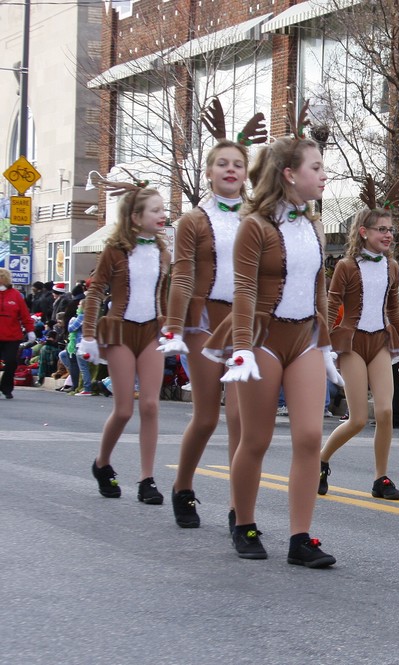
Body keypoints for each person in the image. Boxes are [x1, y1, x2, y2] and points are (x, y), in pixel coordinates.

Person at [203, 108, 339, 567]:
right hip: (260, 339)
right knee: (256, 439)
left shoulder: (315, 225)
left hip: (304, 339)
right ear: (289, 174)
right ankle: (243, 521)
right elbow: (242, 289)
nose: (324, 175)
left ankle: (301, 538)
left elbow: (320, 286)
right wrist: (240, 347)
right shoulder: (255, 226)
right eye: (316, 167)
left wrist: (327, 341)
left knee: (308, 437)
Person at [158, 100, 265, 529]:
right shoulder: (193, 220)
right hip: (203, 322)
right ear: (208, 171)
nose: (230, 170)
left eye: (237, 164)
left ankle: (240, 509)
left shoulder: (258, 216)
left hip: (243, 321)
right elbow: (182, 277)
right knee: (206, 415)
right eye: (222, 163)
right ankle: (183, 486)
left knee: (241, 417)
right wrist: (173, 325)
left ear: (246, 172)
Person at [319, 178, 399, 501]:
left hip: (381, 343)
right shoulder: (346, 266)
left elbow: (393, 308)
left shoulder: (392, 267)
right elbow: (332, 305)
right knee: (359, 418)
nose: (387, 234)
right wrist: (323, 344)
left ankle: (381, 477)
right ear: (363, 233)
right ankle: (321, 460)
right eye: (380, 229)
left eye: (389, 230)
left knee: (387, 412)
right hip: (353, 343)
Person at [79, 176, 170, 504]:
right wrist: (88, 335)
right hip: (119, 330)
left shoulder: (162, 250)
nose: (162, 215)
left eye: (163, 209)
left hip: (151, 332)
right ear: (135, 217)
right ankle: (102, 463)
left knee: (150, 405)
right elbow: (95, 290)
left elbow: (164, 294)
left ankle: (147, 479)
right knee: (123, 409)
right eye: (155, 210)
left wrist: (171, 326)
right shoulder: (115, 251)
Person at [0, 268, 35, 399]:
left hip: (12, 336)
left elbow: (25, 315)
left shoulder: (15, 295)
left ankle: (6, 387)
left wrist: (30, 330)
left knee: (11, 362)